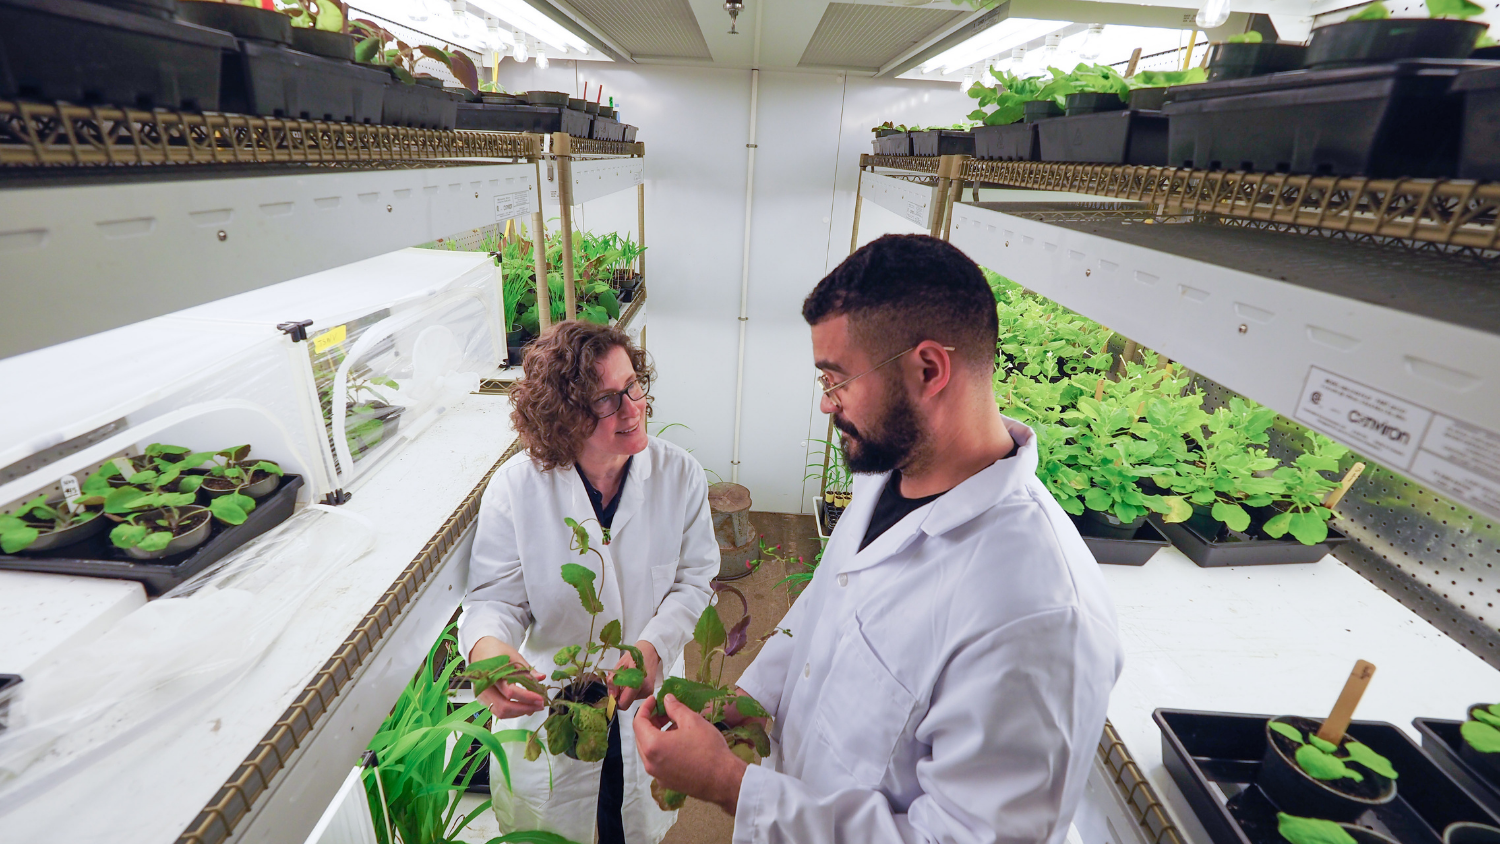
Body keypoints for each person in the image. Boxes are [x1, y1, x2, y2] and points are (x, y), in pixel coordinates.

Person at [633, 234, 1123, 844]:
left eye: (836, 381)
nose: (824, 405)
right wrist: (746, 702)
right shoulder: (892, 473)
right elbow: (825, 611)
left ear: (928, 369)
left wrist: (733, 785)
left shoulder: (1038, 615)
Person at [458, 321, 718, 844]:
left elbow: (694, 583)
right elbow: (494, 599)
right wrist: (489, 651)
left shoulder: (680, 476)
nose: (632, 408)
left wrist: (653, 646)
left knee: (630, 824)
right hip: (555, 701)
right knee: (558, 827)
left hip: (642, 698)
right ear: (562, 415)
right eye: (605, 400)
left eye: (633, 386)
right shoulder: (517, 489)